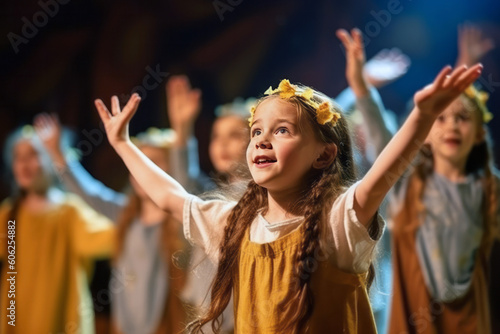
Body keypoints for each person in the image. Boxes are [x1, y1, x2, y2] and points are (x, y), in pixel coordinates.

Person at [94, 45, 482, 331]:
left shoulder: (337, 223)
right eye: (257, 131)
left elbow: (384, 171)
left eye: (282, 131)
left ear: (324, 154)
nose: (262, 140)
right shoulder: (231, 224)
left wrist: (423, 115)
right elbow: (169, 196)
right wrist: (123, 144)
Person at [34, 110, 191, 334]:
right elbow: (91, 194)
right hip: (125, 322)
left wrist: (183, 131)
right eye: (138, 164)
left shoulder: (181, 217)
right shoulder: (125, 215)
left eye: (153, 163)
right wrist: (57, 153)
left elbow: (186, 177)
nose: (142, 172)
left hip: (164, 324)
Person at [0, 125, 115, 334]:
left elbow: (109, 237)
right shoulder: (9, 214)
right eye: (18, 156)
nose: (24, 163)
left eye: (33, 155)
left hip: (62, 321)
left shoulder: (70, 212)